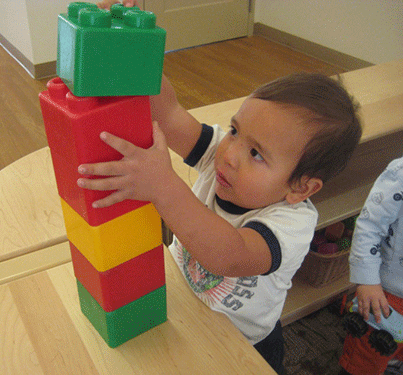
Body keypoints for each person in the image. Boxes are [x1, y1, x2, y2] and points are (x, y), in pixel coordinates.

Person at [87, 3, 362, 374]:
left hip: (243, 344)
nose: (230, 154)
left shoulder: (290, 224)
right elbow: (168, 114)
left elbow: (227, 256)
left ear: (301, 188)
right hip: (181, 304)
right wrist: (134, 45)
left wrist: (162, 187)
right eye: (235, 130)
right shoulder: (223, 155)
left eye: (257, 154)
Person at [339, 156, 403, 375]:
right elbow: (369, 226)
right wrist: (367, 280)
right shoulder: (400, 174)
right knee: (366, 355)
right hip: (385, 293)